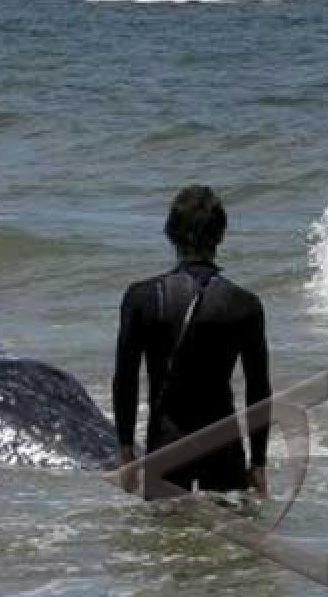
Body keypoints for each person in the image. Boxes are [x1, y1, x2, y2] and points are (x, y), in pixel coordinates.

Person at [113, 185, 271, 498]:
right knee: (230, 544)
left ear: (170, 233)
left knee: (166, 544)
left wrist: (126, 449)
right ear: (220, 235)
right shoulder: (245, 303)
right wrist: (258, 462)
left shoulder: (142, 298)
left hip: (167, 446)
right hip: (223, 446)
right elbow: (258, 389)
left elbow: (125, 379)